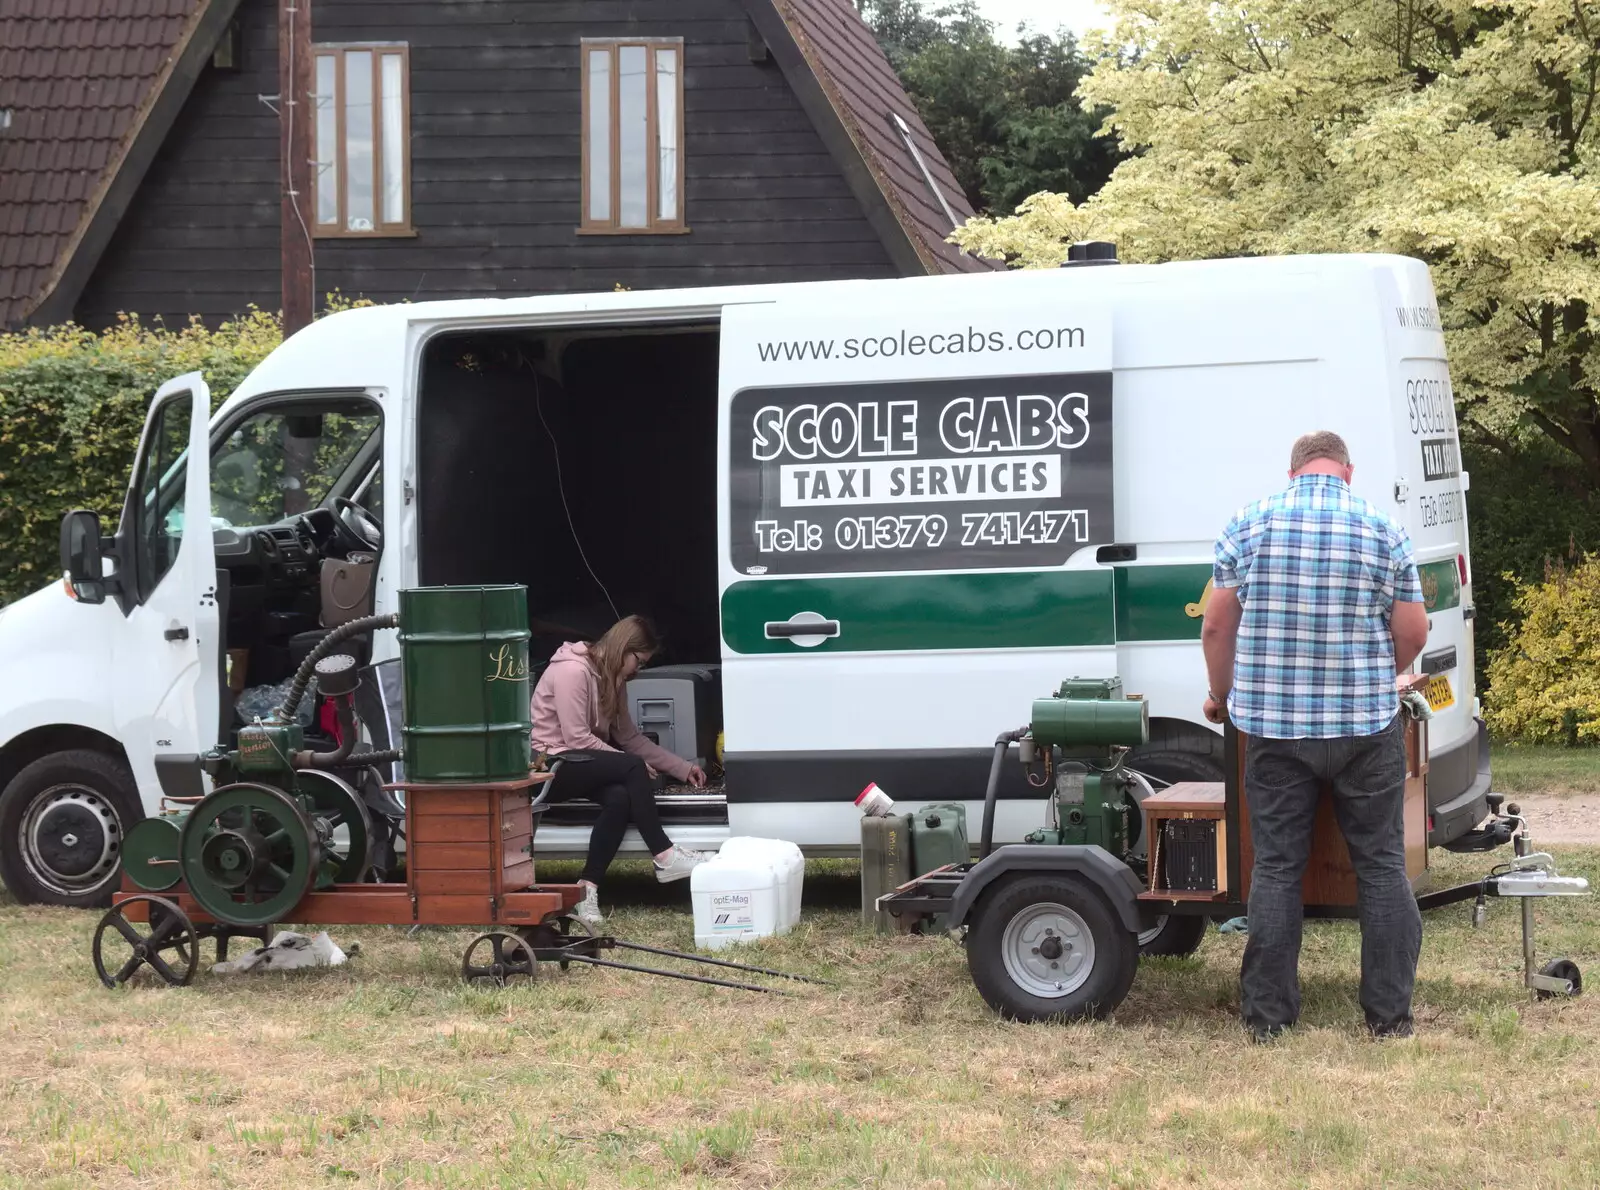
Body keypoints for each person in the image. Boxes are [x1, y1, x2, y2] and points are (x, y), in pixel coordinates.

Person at [1201, 431, 1430, 1042]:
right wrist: (1386, 673)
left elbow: (1218, 628)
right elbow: (1414, 629)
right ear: (1347, 472)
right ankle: (1389, 1019)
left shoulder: (1247, 524)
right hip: (1364, 727)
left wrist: (1221, 697)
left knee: (1276, 868)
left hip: (1274, 730)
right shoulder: (1384, 529)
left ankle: (1269, 1021)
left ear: (1293, 471)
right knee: (1381, 867)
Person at [530, 615, 710, 926]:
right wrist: (630, 763)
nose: (638, 670)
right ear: (623, 649)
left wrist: (682, 767)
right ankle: (665, 855)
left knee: (619, 798)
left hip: (581, 762)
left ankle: (586, 889)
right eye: (638, 661)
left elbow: (629, 738)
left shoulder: (612, 679)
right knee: (630, 767)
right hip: (551, 765)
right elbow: (576, 737)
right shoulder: (571, 671)